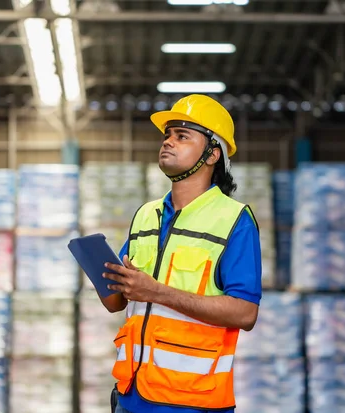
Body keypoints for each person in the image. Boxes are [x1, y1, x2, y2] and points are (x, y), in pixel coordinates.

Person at [99, 94, 263, 413]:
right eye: (167, 135)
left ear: (213, 154)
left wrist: (157, 292)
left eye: (182, 135)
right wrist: (100, 273)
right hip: (130, 397)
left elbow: (245, 313)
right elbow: (116, 302)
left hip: (191, 403)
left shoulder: (235, 220)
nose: (168, 142)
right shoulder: (146, 215)